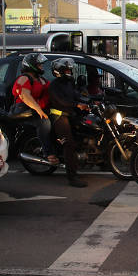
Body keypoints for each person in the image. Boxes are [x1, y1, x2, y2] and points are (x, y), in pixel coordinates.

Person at [48, 57, 90, 188]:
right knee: (69, 145)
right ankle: (72, 177)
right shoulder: (54, 85)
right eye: (66, 69)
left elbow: (76, 94)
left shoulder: (69, 82)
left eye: (70, 69)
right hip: (59, 117)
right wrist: (77, 104)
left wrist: (91, 100)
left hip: (70, 115)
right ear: (59, 71)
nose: (69, 71)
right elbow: (61, 102)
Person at [11, 53, 57, 166]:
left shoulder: (41, 79)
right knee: (44, 122)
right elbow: (25, 95)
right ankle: (48, 153)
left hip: (38, 109)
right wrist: (39, 110)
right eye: (39, 65)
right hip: (25, 110)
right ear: (31, 65)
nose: (42, 66)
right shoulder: (24, 78)